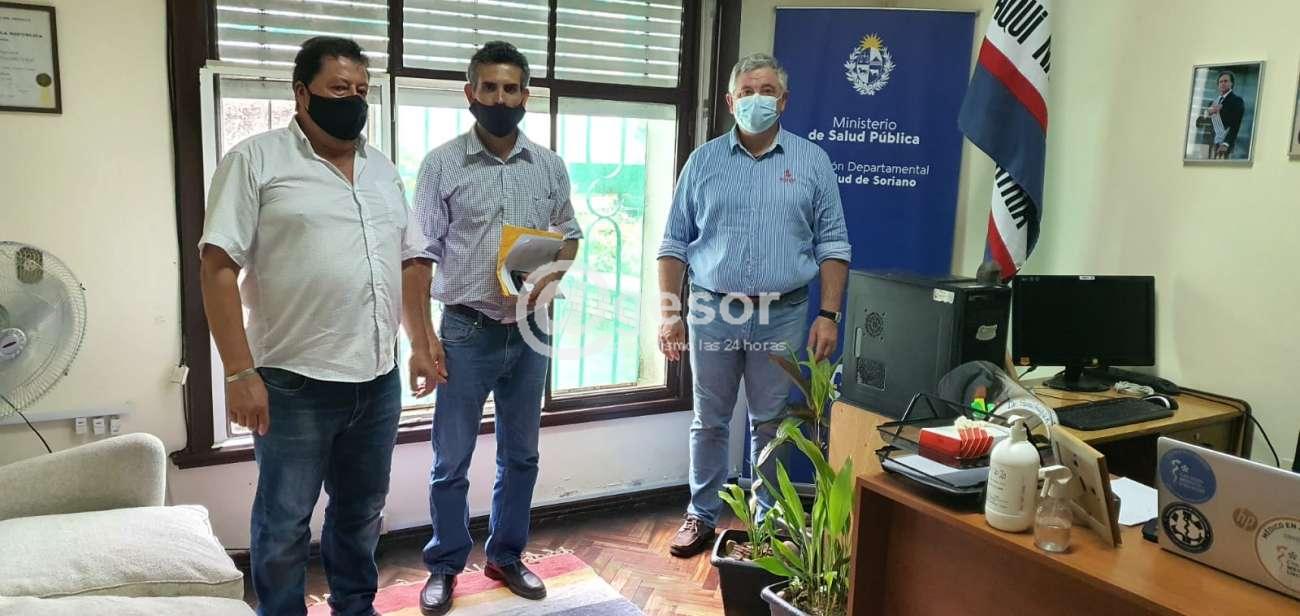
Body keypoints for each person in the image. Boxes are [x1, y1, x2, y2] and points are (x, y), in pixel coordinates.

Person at [199, 37, 441, 616]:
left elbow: (410, 261)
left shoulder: (383, 170)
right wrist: (239, 372)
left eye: (361, 90)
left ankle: (355, 607)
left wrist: (420, 341)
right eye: (338, 88)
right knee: (284, 521)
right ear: (301, 94)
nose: (353, 100)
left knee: (361, 512)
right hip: (293, 382)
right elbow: (216, 267)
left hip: (376, 379)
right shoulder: (255, 161)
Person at [404, 40, 582, 615]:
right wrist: (422, 339)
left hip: (531, 329)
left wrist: (547, 279)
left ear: (525, 96)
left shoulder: (549, 166)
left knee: (521, 455)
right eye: (490, 88)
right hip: (465, 329)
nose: (500, 99)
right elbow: (419, 255)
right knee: (450, 460)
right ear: (470, 93)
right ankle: (444, 565)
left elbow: (570, 235)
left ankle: (506, 556)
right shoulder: (442, 164)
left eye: (511, 89)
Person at [656, 53, 851, 558]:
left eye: (767, 91)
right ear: (730, 101)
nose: (756, 99)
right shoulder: (703, 162)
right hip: (712, 310)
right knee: (709, 420)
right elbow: (673, 244)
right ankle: (701, 514)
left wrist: (828, 314)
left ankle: (766, 523)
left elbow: (833, 244)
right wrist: (670, 314)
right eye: (746, 92)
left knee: (771, 423)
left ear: (783, 101)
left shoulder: (812, 161)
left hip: (782, 313)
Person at [1207, 70, 1244, 159]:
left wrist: (1226, 143)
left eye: (1226, 81)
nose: (1223, 83)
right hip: (1211, 145)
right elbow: (1206, 125)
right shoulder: (1212, 103)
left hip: (1225, 146)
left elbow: (1236, 125)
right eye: (1220, 82)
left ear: (1231, 83)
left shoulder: (1237, 101)